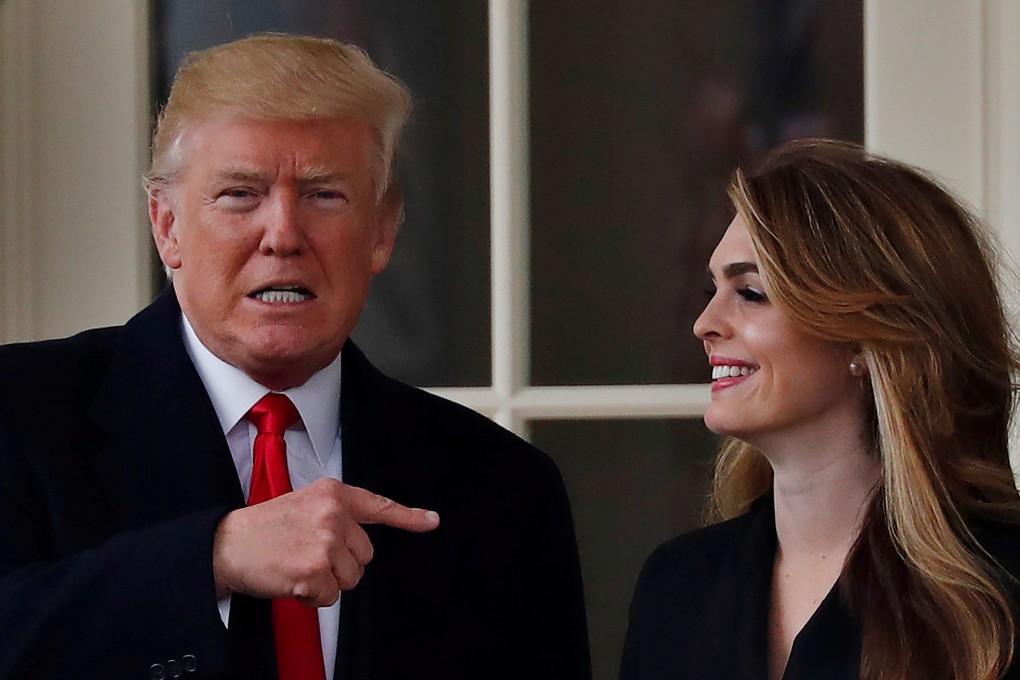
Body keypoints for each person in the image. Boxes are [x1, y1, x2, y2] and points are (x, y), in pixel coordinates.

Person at [0, 34, 591, 680]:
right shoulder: (20, 415)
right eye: (240, 194)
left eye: (323, 195)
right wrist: (211, 559)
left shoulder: (502, 489)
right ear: (166, 225)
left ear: (383, 231)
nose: (282, 234)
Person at [620, 138, 1020, 680]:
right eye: (713, 288)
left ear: (863, 339)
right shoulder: (678, 586)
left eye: (751, 293)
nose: (705, 323)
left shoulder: (1002, 592)